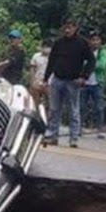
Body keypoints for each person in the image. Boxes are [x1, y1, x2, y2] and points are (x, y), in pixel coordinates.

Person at [43, 20, 96, 148]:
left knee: (73, 110)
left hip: (73, 81)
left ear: (75, 28)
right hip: (57, 79)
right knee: (54, 109)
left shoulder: (82, 43)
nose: (68, 30)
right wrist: (46, 78)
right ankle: (53, 136)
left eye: (70, 28)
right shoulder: (59, 43)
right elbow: (51, 61)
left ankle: (73, 138)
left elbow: (91, 60)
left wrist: (84, 77)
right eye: (66, 28)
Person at [81, 32, 106, 138]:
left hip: (97, 82)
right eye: (93, 40)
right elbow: (80, 64)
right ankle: (79, 128)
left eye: (97, 40)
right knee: (82, 107)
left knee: (99, 107)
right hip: (85, 82)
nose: (95, 42)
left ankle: (100, 130)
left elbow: (102, 65)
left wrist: (89, 64)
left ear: (100, 41)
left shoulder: (103, 52)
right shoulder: (85, 51)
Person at [29, 39, 53, 106]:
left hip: (49, 83)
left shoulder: (53, 57)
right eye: (45, 46)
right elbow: (32, 70)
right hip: (37, 82)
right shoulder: (36, 56)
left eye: (48, 47)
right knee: (35, 102)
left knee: (50, 103)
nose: (46, 49)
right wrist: (32, 82)